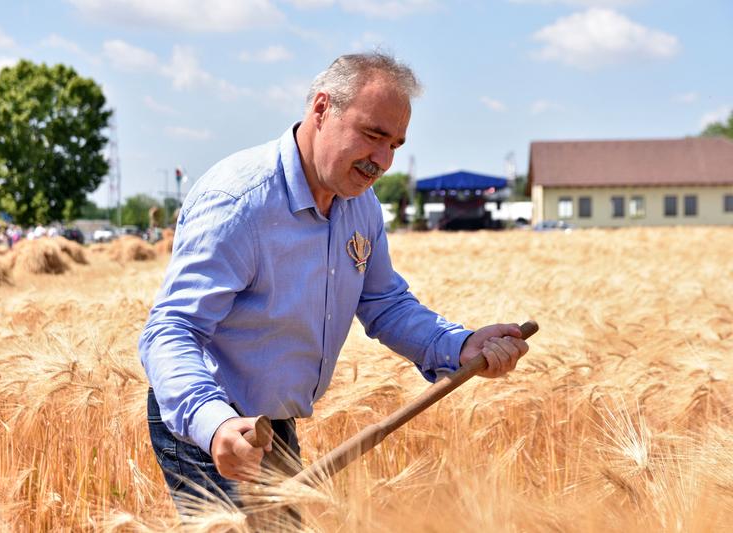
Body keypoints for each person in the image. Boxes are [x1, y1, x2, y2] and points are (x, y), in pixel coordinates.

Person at [139, 52, 529, 511]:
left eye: (395, 145)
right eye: (373, 135)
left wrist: (460, 345)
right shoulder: (238, 202)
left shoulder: (359, 206)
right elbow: (171, 330)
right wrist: (214, 424)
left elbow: (386, 303)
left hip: (272, 425)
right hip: (211, 426)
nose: (383, 160)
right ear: (322, 109)